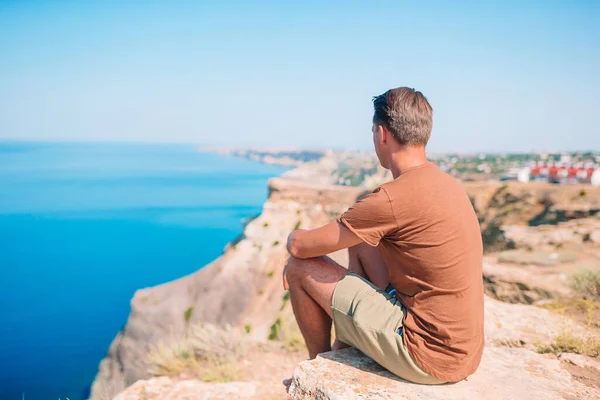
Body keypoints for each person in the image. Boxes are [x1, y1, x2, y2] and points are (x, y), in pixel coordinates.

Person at [282, 87, 484, 388]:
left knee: (299, 267)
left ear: (383, 134)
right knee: (363, 239)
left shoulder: (393, 197)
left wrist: (291, 237)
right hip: (463, 352)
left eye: (373, 131)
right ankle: (349, 345)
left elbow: (301, 247)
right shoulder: (446, 183)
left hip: (426, 355)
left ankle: (318, 370)